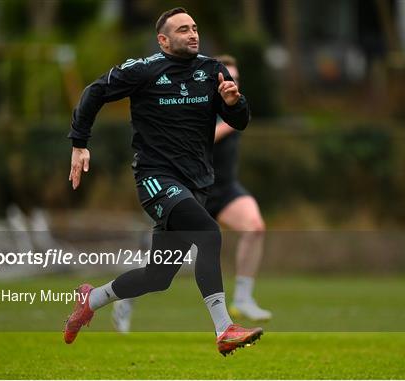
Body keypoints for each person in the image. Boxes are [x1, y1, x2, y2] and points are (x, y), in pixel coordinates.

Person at [64, 7, 263, 356]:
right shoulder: (143, 70)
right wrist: (79, 144)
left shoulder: (211, 70)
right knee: (209, 233)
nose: (192, 34)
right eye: (183, 29)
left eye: (195, 27)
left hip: (197, 183)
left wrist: (234, 103)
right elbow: (94, 92)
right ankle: (224, 328)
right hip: (156, 178)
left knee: (158, 277)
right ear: (163, 40)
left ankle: (91, 299)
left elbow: (240, 120)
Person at [112, 56, 270, 334]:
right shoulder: (196, 105)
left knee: (255, 226)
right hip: (186, 189)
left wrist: (235, 110)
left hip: (223, 190)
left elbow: (239, 119)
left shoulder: (234, 105)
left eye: (236, 79)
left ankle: (243, 298)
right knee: (159, 270)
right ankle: (126, 300)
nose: (231, 84)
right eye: (226, 77)